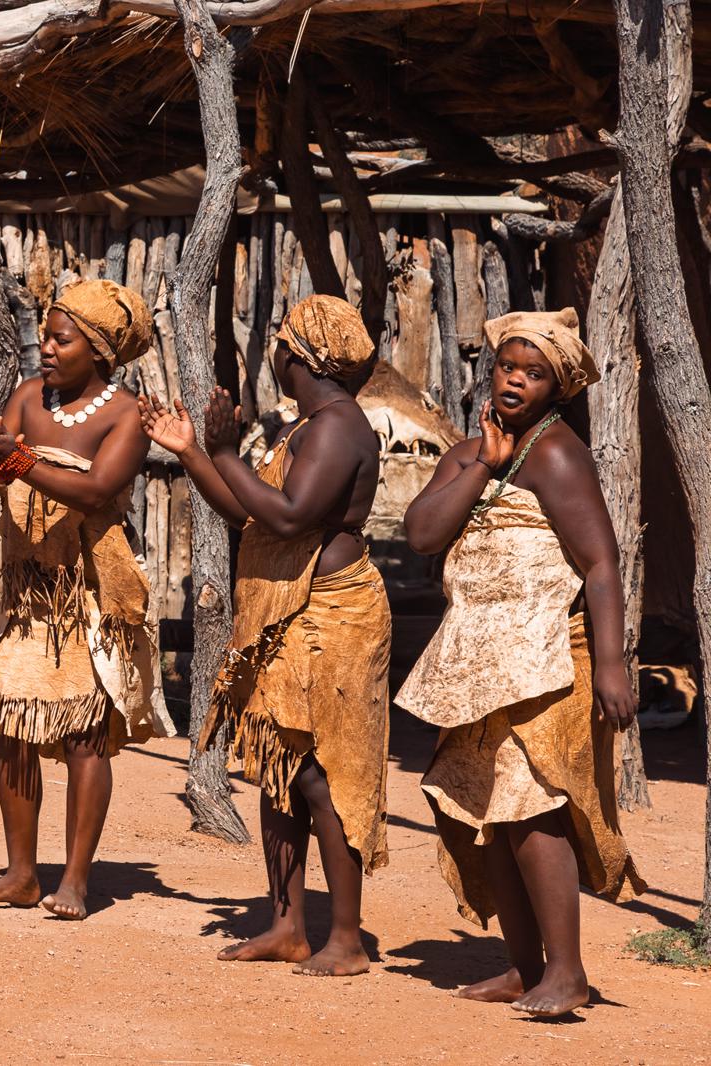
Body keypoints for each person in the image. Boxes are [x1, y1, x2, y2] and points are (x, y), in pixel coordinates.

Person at [396, 308, 644, 1016]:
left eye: (534, 374)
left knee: (533, 808)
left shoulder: (559, 454)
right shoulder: (470, 453)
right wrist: (483, 464)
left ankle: (566, 972)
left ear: (556, 388)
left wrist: (610, 665)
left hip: (545, 659)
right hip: (477, 663)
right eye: (508, 366)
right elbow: (421, 533)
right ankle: (523, 966)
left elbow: (601, 564)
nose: (515, 381)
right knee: (493, 814)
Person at [142, 294, 389, 974]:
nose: (274, 352)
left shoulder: (337, 428)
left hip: (330, 615)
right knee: (280, 767)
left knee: (322, 774)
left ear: (299, 356)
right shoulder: (307, 426)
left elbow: (286, 516)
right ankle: (287, 926)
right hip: (288, 613)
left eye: (281, 341)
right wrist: (194, 453)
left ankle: (346, 939)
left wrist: (225, 449)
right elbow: (251, 512)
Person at [0, 279, 174, 920]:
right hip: (28, 596)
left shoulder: (125, 414)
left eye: (62, 339)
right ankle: (22, 874)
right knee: (12, 728)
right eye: (46, 337)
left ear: (100, 350)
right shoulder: (28, 397)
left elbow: (97, 490)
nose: (46, 348)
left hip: (88, 597)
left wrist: (20, 461)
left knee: (85, 738)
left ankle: (75, 880)